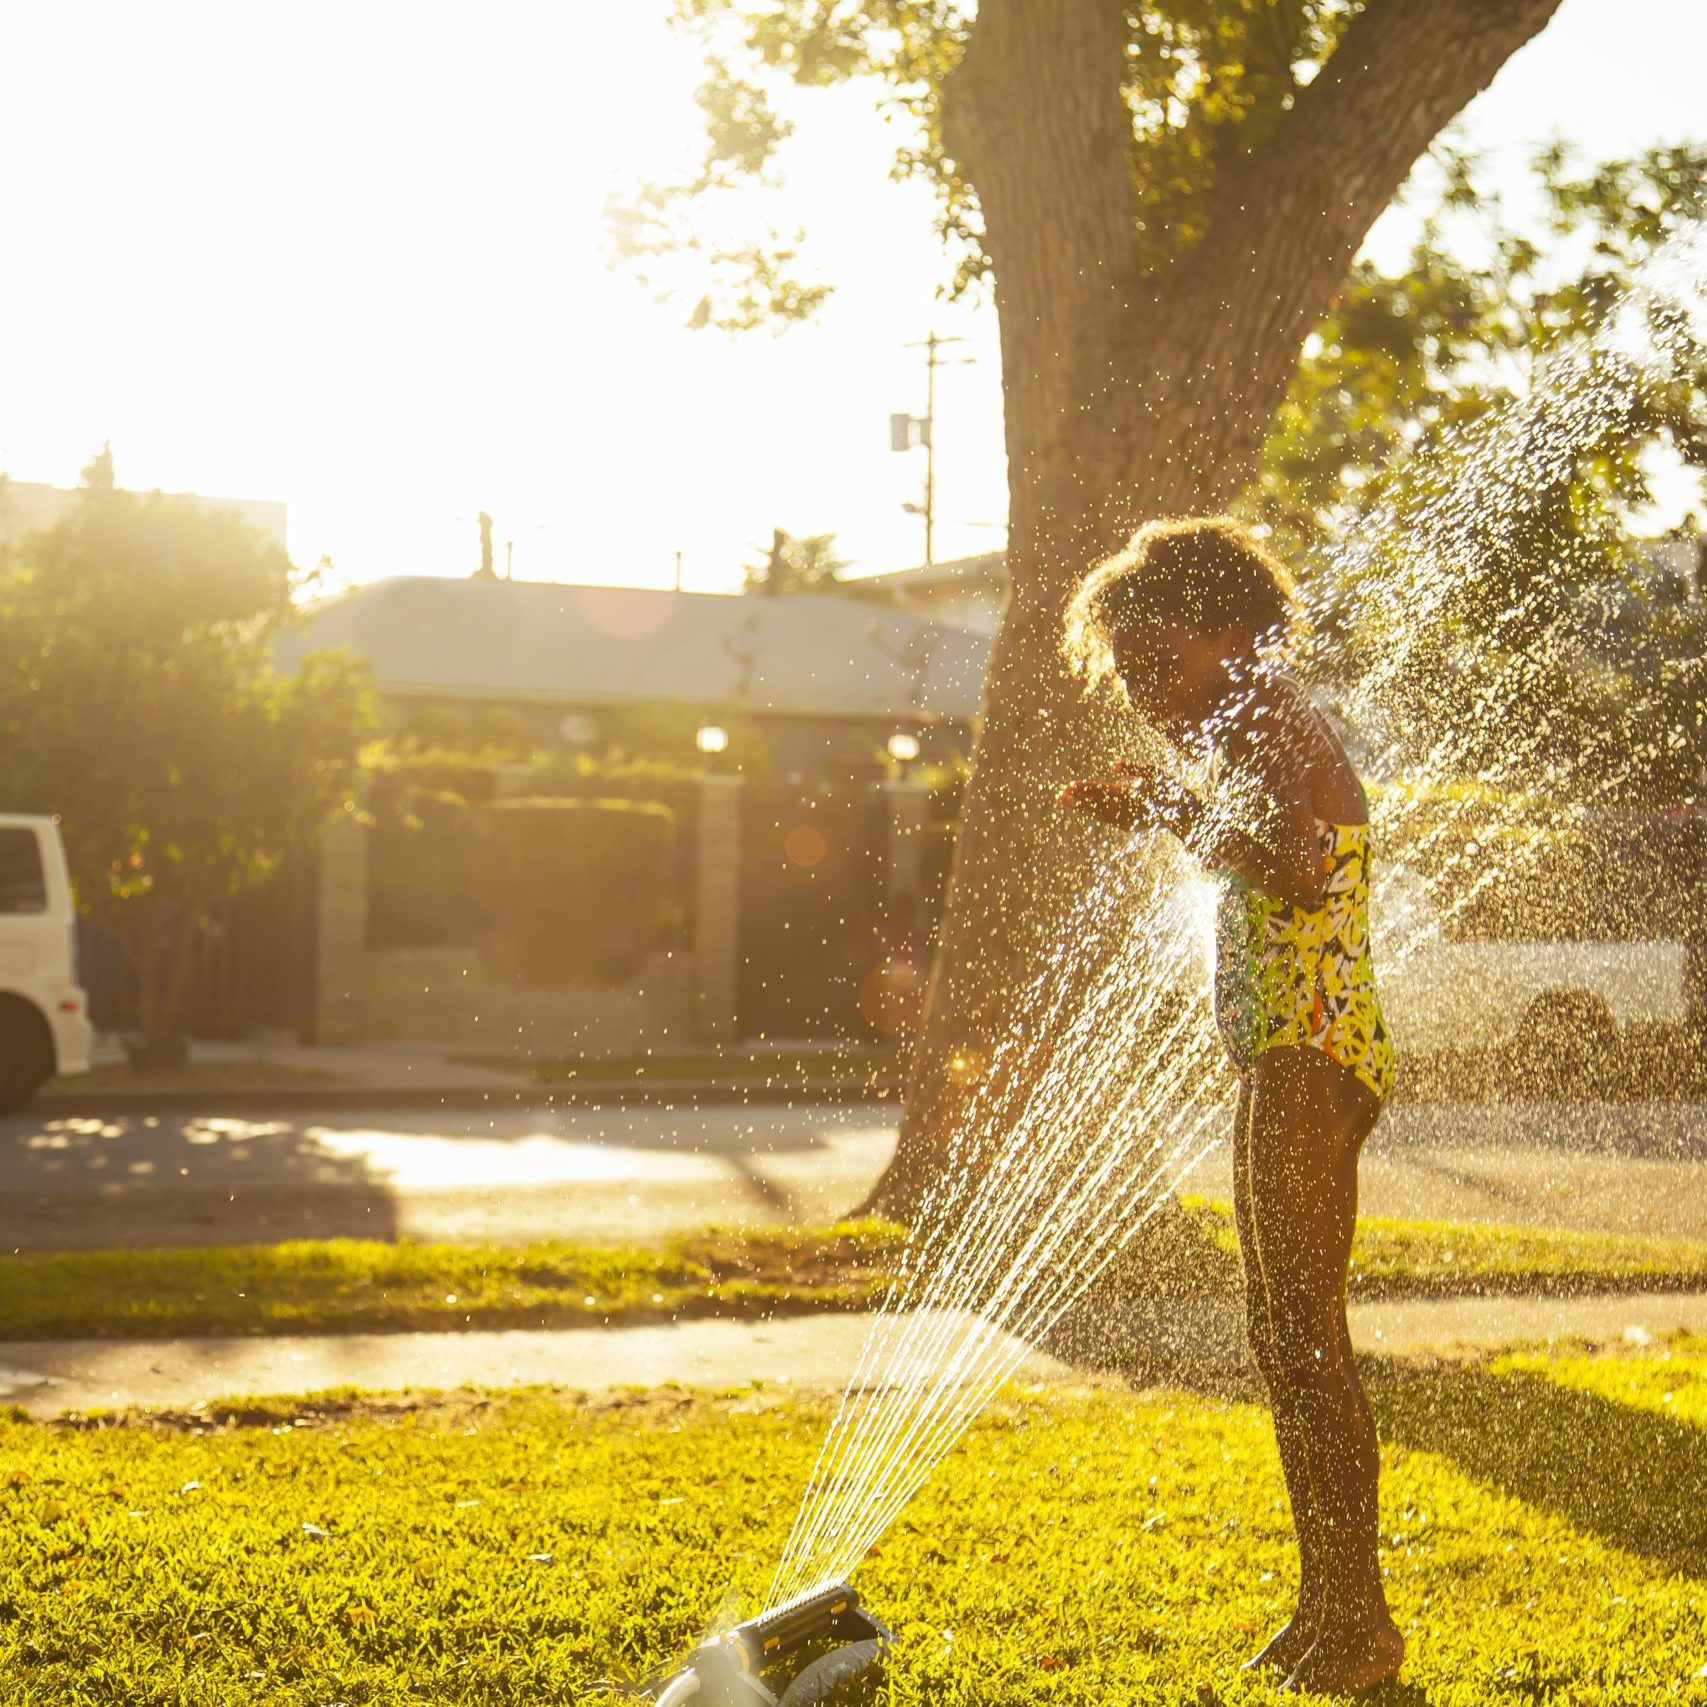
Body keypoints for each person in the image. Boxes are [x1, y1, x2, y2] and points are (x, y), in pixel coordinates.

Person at [1057, 515, 1404, 1695]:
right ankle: (1327, 1612)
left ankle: (1358, 1628)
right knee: (1286, 1341)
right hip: (1286, 1049)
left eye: (1158, 661)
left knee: (1306, 1339)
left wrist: (1166, 812)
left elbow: (1301, 868)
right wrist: (1167, 806)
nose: (1147, 692)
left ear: (1228, 633)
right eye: (1130, 673)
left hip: (1312, 1048)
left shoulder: (1264, 714)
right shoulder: (1243, 722)